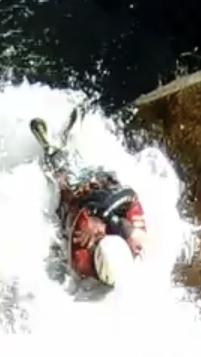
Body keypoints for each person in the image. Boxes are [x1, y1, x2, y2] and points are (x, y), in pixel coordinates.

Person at [30, 115, 147, 287]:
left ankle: (51, 151)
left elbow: (86, 210)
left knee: (66, 184)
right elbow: (130, 194)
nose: (98, 235)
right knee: (96, 181)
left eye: (98, 239)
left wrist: (95, 218)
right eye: (100, 236)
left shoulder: (81, 261)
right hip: (102, 188)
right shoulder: (136, 238)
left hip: (76, 203)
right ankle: (71, 141)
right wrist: (106, 216)